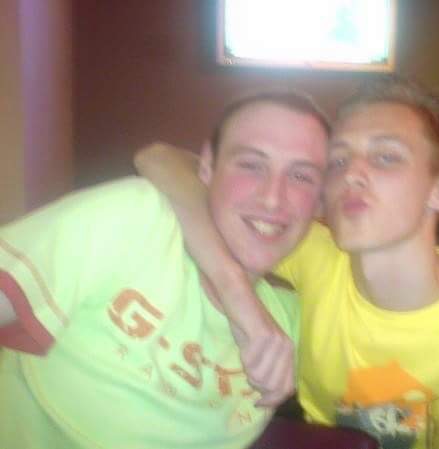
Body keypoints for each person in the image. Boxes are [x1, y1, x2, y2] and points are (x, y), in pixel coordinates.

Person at [136, 78, 439, 449]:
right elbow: (160, 159)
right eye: (337, 162)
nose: (352, 174)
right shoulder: (313, 255)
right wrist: (242, 302)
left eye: (385, 156)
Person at [0, 91, 332, 448]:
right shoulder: (137, 220)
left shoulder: (293, 318)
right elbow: (158, 157)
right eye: (251, 165)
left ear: (320, 201)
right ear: (207, 167)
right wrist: (235, 290)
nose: (272, 198)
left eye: (301, 176)